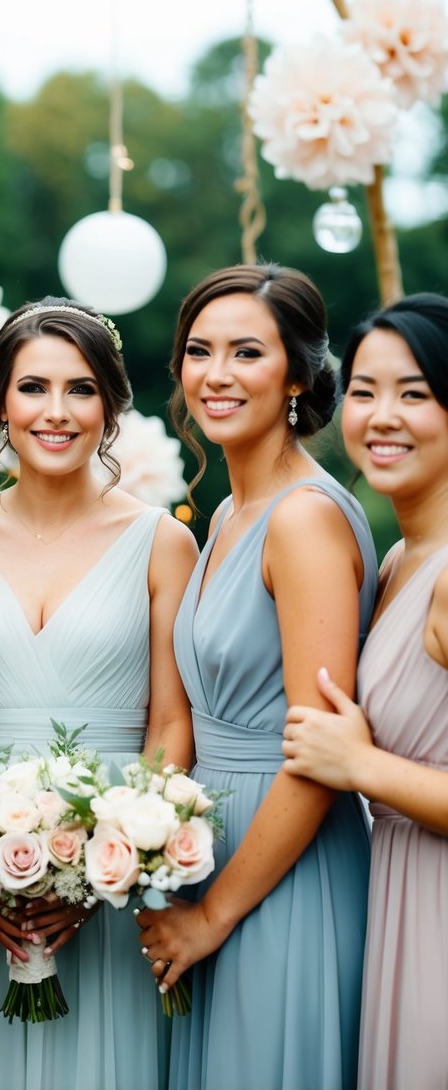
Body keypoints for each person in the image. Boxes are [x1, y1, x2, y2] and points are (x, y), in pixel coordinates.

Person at [0, 296, 199, 1090]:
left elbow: (169, 721)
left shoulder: (162, 542)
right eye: (32, 387)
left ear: (110, 407)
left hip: (113, 878)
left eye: (80, 389)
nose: (55, 411)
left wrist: (113, 861)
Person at [137, 264, 379, 1090]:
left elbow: (318, 753)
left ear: (298, 376)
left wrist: (213, 914)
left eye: (246, 352)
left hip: (282, 871)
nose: (216, 374)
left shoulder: (303, 520)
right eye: (198, 352)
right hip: (217, 849)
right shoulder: (226, 514)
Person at [282, 293, 448, 1090]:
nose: (382, 416)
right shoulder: (398, 563)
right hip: (398, 896)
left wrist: (362, 767)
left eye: (413, 393)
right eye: (363, 390)